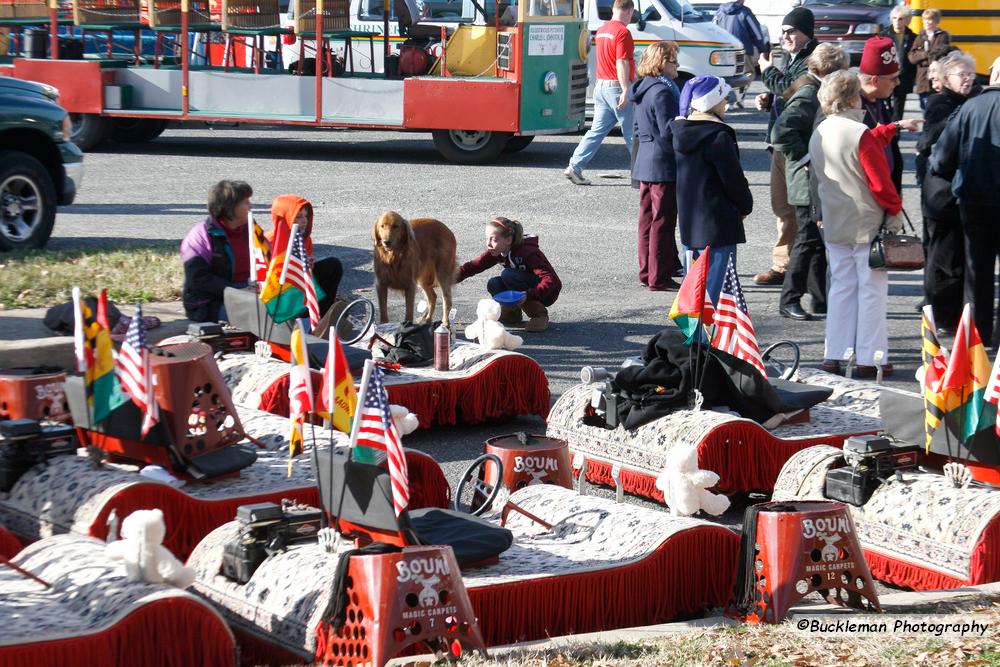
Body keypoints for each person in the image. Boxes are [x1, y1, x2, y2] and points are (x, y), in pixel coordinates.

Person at [810, 70, 918, 378]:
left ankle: (835, 353)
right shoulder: (859, 131)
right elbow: (880, 182)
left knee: (841, 288)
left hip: (834, 218)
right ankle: (871, 358)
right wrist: (895, 208)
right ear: (852, 98)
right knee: (872, 290)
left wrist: (891, 128)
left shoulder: (821, 129)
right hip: (866, 221)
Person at [769, 43, 849, 321]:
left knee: (814, 240)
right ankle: (789, 298)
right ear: (828, 72)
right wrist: (807, 159)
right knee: (806, 239)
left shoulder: (813, 89)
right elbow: (781, 132)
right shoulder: (809, 93)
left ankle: (820, 298)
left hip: (808, 176)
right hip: (804, 179)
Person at [930, 57, 1000, 347]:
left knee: (977, 271)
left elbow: (943, 157)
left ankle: (977, 336)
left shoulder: (970, 107)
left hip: (975, 202)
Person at [670, 76, 753, 303]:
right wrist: (745, 206)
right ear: (713, 101)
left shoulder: (678, 131)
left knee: (693, 289)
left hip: (690, 222)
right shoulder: (718, 135)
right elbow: (733, 180)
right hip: (719, 222)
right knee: (717, 292)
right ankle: (710, 337)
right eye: (723, 97)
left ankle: (695, 336)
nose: (726, 101)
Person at [752, 7, 818, 286]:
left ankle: (796, 269)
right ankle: (783, 265)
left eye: (792, 31)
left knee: (799, 209)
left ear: (807, 33)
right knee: (782, 207)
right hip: (780, 143)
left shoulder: (813, 59)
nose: (785, 36)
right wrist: (770, 98)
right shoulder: (793, 58)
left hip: (798, 145)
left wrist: (767, 72)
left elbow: (792, 87)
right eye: (783, 31)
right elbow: (786, 92)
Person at [918, 51, 980, 337]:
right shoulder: (939, 103)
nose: (968, 79)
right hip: (941, 192)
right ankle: (939, 315)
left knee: (964, 259)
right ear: (945, 79)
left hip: (968, 191)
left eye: (970, 74)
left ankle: (961, 315)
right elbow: (927, 141)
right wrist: (959, 117)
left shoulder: (976, 101)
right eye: (961, 74)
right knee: (943, 258)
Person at [563, 0, 635, 186]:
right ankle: (643, 175)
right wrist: (625, 88)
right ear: (629, 11)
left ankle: (574, 167)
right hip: (616, 87)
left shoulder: (603, 30)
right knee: (632, 132)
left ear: (613, 9)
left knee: (596, 131)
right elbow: (622, 62)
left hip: (601, 86)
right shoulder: (623, 32)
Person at [630, 40, 682, 292]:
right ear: (662, 63)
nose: (678, 65)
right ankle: (658, 277)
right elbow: (669, 131)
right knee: (662, 222)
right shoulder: (663, 91)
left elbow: (639, 130)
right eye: (673, 60)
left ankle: (646, 272)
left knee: (647, 221)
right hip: (662, 163)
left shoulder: (642, 88)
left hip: (645, 161)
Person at [455, 217, 561, 332]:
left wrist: (529, 294)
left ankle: (539, 315)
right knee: (494, 284)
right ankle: (512, 313)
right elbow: (473, 266)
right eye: (487, 239)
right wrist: (445, 279)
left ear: (509, 240)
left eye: (493, 240)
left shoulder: (527, 252)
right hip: (525, 289)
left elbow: (551, 279)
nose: (488, 244)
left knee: (508, 275)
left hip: (545, 293)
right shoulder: (498, 251)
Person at [180, 180, 254, 322]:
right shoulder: (200, 236)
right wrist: (237, 292)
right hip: (211, 302)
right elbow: (198, 279)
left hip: (247, 290)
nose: (251, 206)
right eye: (246, 202)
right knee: (257, 316)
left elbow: (267, 257)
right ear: (230, 207)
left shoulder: (250, 228)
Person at [265, 195, 343, 320]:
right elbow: (267, 280)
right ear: (286, 218)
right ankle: (301, 316)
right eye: (298, 217)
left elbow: (305, 270)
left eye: (306, 216)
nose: (304, 221)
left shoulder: (304, 239)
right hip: (278, 295)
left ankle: (323, 316)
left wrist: (308, 265)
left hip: (299, 286)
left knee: (333, 265)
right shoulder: (269, 241)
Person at [858, 36, 906, 194]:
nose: (898, 83)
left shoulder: (879, 100)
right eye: (893, 78)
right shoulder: (849, 107)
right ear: (874, 80)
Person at [714, 0, 768, 104]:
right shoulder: (744, 11)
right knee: (748, 73)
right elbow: (756, 32)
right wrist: (762, 48)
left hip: (722, 51)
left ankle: (726, 100)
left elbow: (713, 29)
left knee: (727, 76)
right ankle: (738, 97)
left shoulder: (719, 12)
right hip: (742, 50)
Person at [909, 8, 951, 110]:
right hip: (923, 79)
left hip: (937, 78)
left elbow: (943, 54)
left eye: (930, 19)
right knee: (924, 108)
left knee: (936, 108)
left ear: (936, 21)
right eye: (925, 19)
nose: (927, 22)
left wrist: (928, 56)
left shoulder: (942, 36)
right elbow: (911, 57)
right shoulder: (920, 37)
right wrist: (925, 55)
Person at [888, 4, 918, 122]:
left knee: (898, 109)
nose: (897, 21)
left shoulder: (914, 38)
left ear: (907, 20)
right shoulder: (884, 36)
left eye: (900, 19)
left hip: (903, 77)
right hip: (886, 77)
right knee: (885, 107)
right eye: (894, 18)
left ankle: (896, 134)